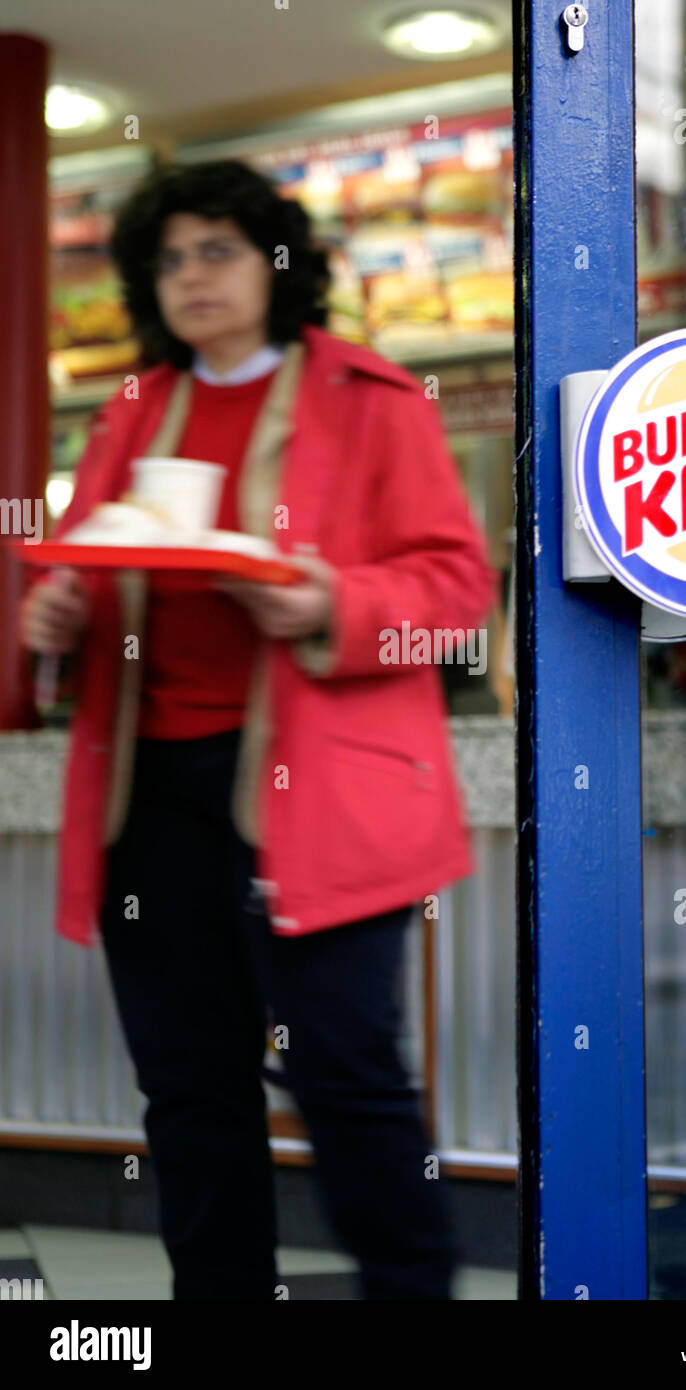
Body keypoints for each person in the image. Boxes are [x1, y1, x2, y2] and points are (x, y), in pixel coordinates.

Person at [19, 159, 496, 1300]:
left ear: (277, 264)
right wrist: (57, 616)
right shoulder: (130, 412)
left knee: (346, 1075)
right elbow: (90, 565)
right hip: (153, 800)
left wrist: (332, 601)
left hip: (318, 792)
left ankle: (409, 1288)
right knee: (190, 1091)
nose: (191, 276)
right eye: (169, 258)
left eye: (216, 249)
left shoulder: (370, 395)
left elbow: (457, 590)